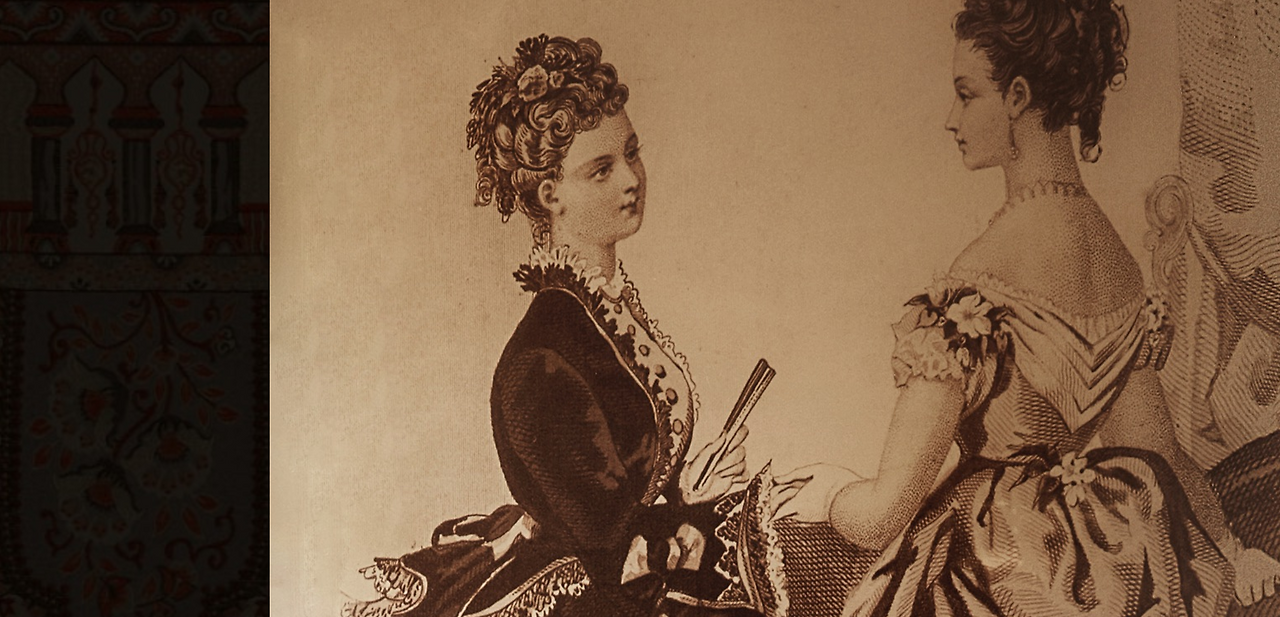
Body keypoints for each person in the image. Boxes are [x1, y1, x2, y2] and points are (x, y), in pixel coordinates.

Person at [772, 1, 1280, 615]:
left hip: (996, 571)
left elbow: (882, 515)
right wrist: (1234, 550)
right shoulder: (1115, 261)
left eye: (967, 95)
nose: (952, 119)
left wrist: (824, 493)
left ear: (1017, 96)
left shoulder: (977, 280)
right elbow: (1162, 458)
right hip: (1109, 565)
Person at [343, 35, 785, 617]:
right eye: (602, 170)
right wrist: (694, 509)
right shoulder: (543, 357)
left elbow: (632, 493)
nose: (631, 179)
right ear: (552, 196)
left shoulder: (602, 311)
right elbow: (612, 549)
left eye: (632, 153)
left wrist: (689, 489)